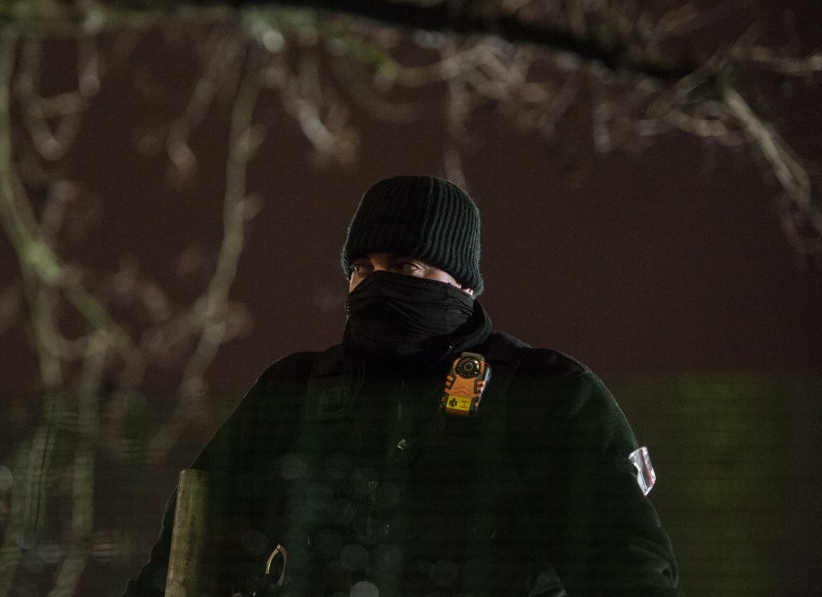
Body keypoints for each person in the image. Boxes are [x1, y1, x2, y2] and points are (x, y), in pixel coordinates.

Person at [125, 175, 682, 596]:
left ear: (461, 282)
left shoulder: (546, 394)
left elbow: (628, 568)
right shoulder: (295, 390)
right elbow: (190, 554)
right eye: (361, 268)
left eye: (405, 266)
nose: (375, 283)